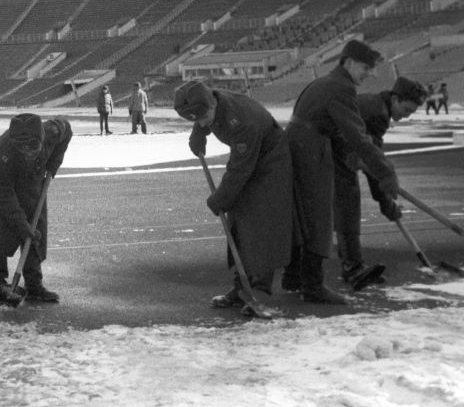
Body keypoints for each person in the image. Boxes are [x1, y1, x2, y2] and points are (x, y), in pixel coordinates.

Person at [284, 39, 398, 305]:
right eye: (366, 68)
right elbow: (358, 136)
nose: (369, 74)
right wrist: (386, 171)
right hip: (310, 153)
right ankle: (311, 286)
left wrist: (351, 156)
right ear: (349, 62)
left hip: (302, 147)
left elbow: (339, 131)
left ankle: (293, 278)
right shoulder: (341, 88)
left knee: (303, 217)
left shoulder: (326, 82)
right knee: (319, 220)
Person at [175, 81, 292, 310]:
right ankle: (242, 288)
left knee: (261, 226)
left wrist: (220, 199)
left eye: (202, 118)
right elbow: (203, 114)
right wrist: (199, 132)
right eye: (194, 119)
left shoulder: (242, 121)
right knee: (238, 221)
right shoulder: (212, 101)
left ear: (211, 105)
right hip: (249, 162)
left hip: (270, 165)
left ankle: (260, 291)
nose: (201, 122)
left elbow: (239, 169)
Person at [333, 77, 427, 290]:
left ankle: (350, 266)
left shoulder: (376, 105)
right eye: (406, 110)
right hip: (329, 153)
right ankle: (353, 269)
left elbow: (373, 160)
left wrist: (385, 194)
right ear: (395, 98)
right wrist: (386, 203)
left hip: (338, 153)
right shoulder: (377, 114)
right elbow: (374, 163)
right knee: (347, 205)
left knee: (343, 206)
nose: (405, 117)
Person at [0, 114, 72, 306]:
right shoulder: (2, 153)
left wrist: (54, 162)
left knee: (35, 226)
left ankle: (34, 285)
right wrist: (21, 226)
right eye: (22, 148)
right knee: (0, 227)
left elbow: (67, 131)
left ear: (42, 138)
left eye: (33, 147)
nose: (27, 153)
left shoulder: (53, 131)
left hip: (33, 177)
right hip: (1, 184)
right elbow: (5, 199)